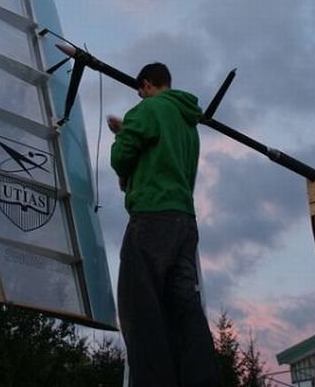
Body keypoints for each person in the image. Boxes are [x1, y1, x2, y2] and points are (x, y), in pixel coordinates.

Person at [108, 62, 219, 387]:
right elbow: (163, 157)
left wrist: (124, 133)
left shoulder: (149, 108)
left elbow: (120, 158)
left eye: (140, 91)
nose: (140, 96)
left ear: (146, 85)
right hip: (184, 221)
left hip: (152, 218)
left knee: (140, 305)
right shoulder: (188, 122)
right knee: (184, 310)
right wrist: (130, 130)